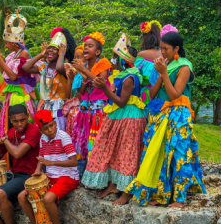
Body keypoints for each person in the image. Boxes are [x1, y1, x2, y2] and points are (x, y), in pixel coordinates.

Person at [125, 30, 205, 207]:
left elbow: (175, 95)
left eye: (166, 49)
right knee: (159, 154)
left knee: (178, 154)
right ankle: (161, 194)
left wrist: (165, 73)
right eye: (161, 49)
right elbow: (153, 94)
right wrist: (161, 74)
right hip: (160, 114)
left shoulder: (184, 67)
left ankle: (180, 198)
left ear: (176, 48)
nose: (162, 52)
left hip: (178, 115)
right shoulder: (164, 65)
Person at [82, 34, 146, 205]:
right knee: (112, 149)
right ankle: (112, 185)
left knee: (128, 154)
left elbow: (121, 101)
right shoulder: (120, 75)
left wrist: (104, 88)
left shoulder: (130, 78)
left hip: (129, 116)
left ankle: (127, 191)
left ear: (123, 60)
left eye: (115, 57)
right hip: (118, 115)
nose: (112, 60)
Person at [18, 109, 79, 224]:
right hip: (50, 176)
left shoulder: (63, 137)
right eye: (46, 128)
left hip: (68, 176)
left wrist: (50, 163)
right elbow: (41, 158)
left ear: (55, 123)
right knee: (22, 196)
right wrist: (39, 169)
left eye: (52, 125)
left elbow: (74, 162)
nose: (50, 130)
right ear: (40, 130)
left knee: (48, 198)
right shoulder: (43, 139)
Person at [69, 32, 112, 175]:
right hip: (85, 109)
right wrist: (81, 77)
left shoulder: (103, 63)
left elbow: (101, 84)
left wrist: (84, 70)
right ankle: (84, 174)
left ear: (98, 52)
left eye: (90, 46)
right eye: (85, 45)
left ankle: (97, 174)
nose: (86, 48)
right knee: (83, 141)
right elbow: (80, 93)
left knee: (97, 142)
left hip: (98, 110)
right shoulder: (84, 65)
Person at [0, 10, 36, 138]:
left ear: (13, 43)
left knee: (20, 119)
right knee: (10, 122)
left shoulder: (24, 54)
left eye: (6, 43)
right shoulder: (12, 55)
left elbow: (14, 76)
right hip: (12, 92)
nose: (5, 45)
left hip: (20, 93)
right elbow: (5, 73)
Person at [22, 27, 76, 129]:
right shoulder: (43, 67)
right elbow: (25, 67)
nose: (50, 50)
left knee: (58, 133)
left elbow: (59, 68)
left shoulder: (66, 67)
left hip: (59, 108)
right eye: (49, 48)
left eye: (54, 49)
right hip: (44, 107)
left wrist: (62, 55)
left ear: (60, 52)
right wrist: (41, 55)